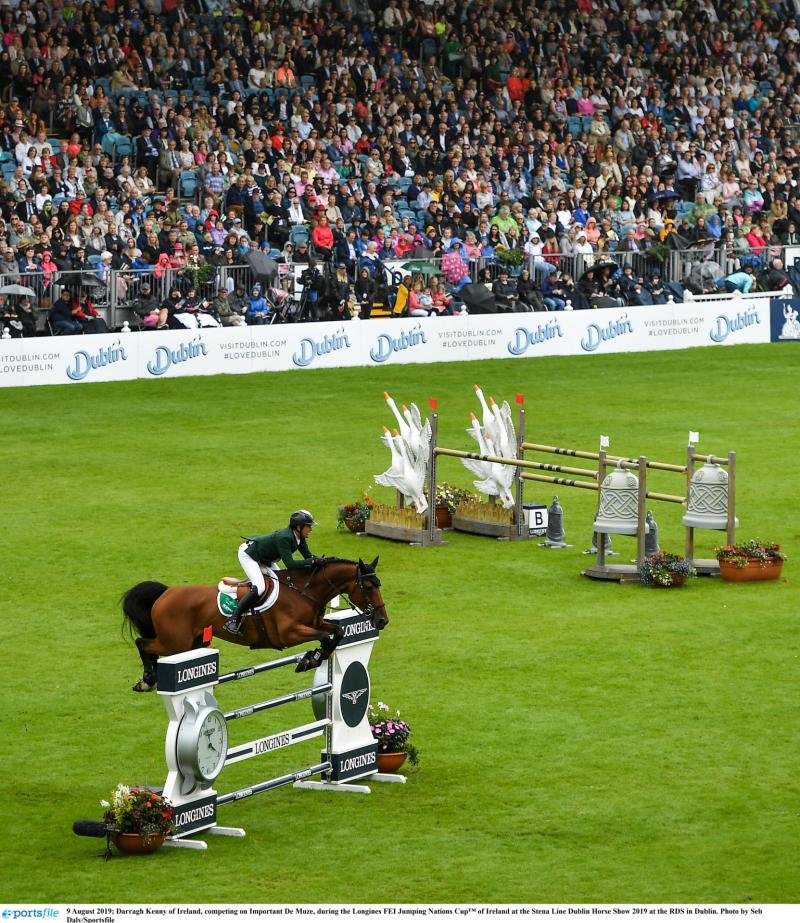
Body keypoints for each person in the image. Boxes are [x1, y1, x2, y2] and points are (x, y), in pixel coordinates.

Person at [225, 509, 321, 635]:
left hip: (265, 559)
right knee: (260, 587)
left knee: (284, 584)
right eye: (308, 526)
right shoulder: (285, 537)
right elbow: (290, 564)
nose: (311, 529)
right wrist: (312, 561)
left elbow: (308, 557)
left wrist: (322, 561)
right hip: (249, 555)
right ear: (299, 527)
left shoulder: (300, 538)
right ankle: (233, 620)